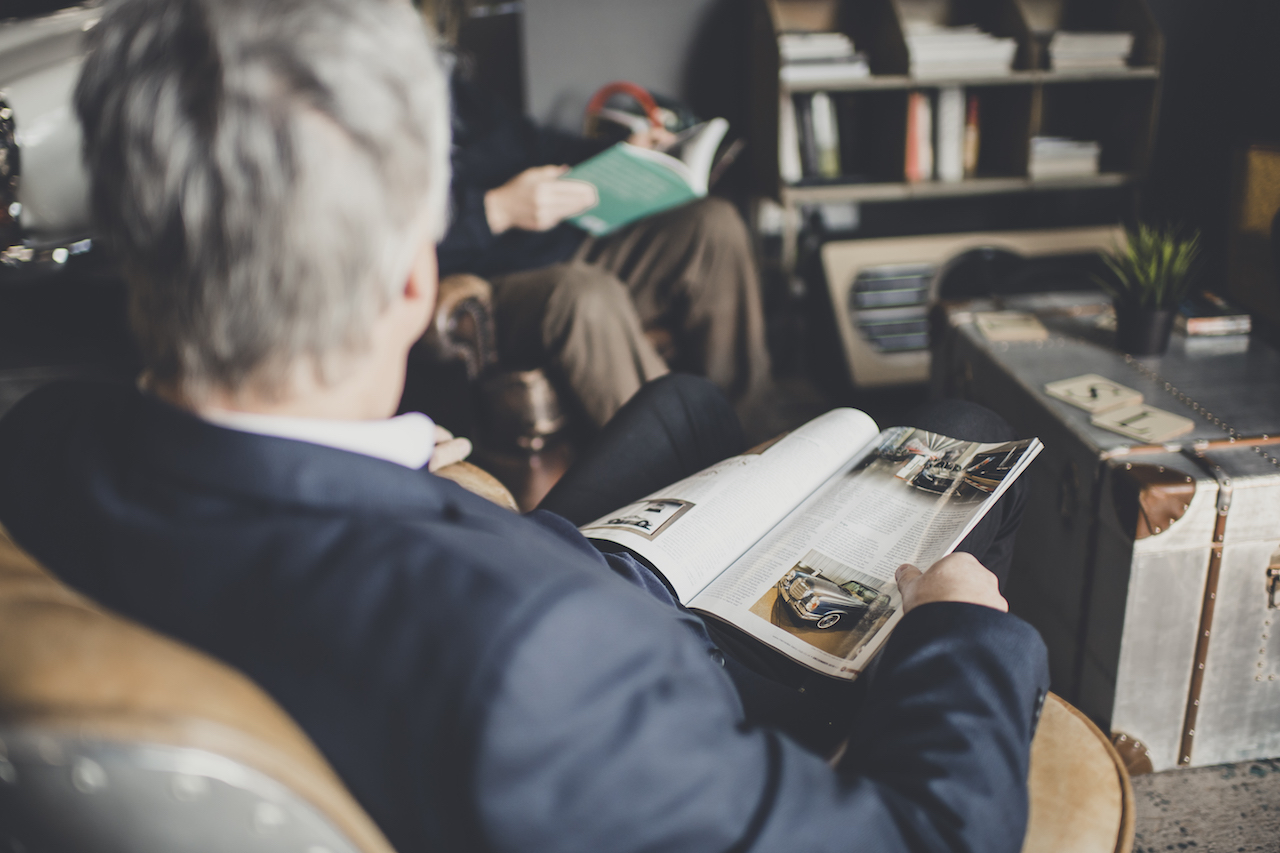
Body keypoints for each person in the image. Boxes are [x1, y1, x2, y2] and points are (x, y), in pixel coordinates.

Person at [0, 1, 1049, 851]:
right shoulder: (538, 662)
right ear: (414, 278)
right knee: (955, 428)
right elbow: (930, 836)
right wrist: (956, 622)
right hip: (618, 663)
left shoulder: (44, 433)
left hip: (525, 578)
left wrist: (418, 474)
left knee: (687, 406)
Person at [441, 67, 771, 428]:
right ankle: (691, 469)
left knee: (712, 226)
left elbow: (537, 145)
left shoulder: (453, 90)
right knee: (585, 293)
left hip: (563, 239)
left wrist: (621, 153)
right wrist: (495, 209)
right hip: (485, 278)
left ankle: (755, 445)